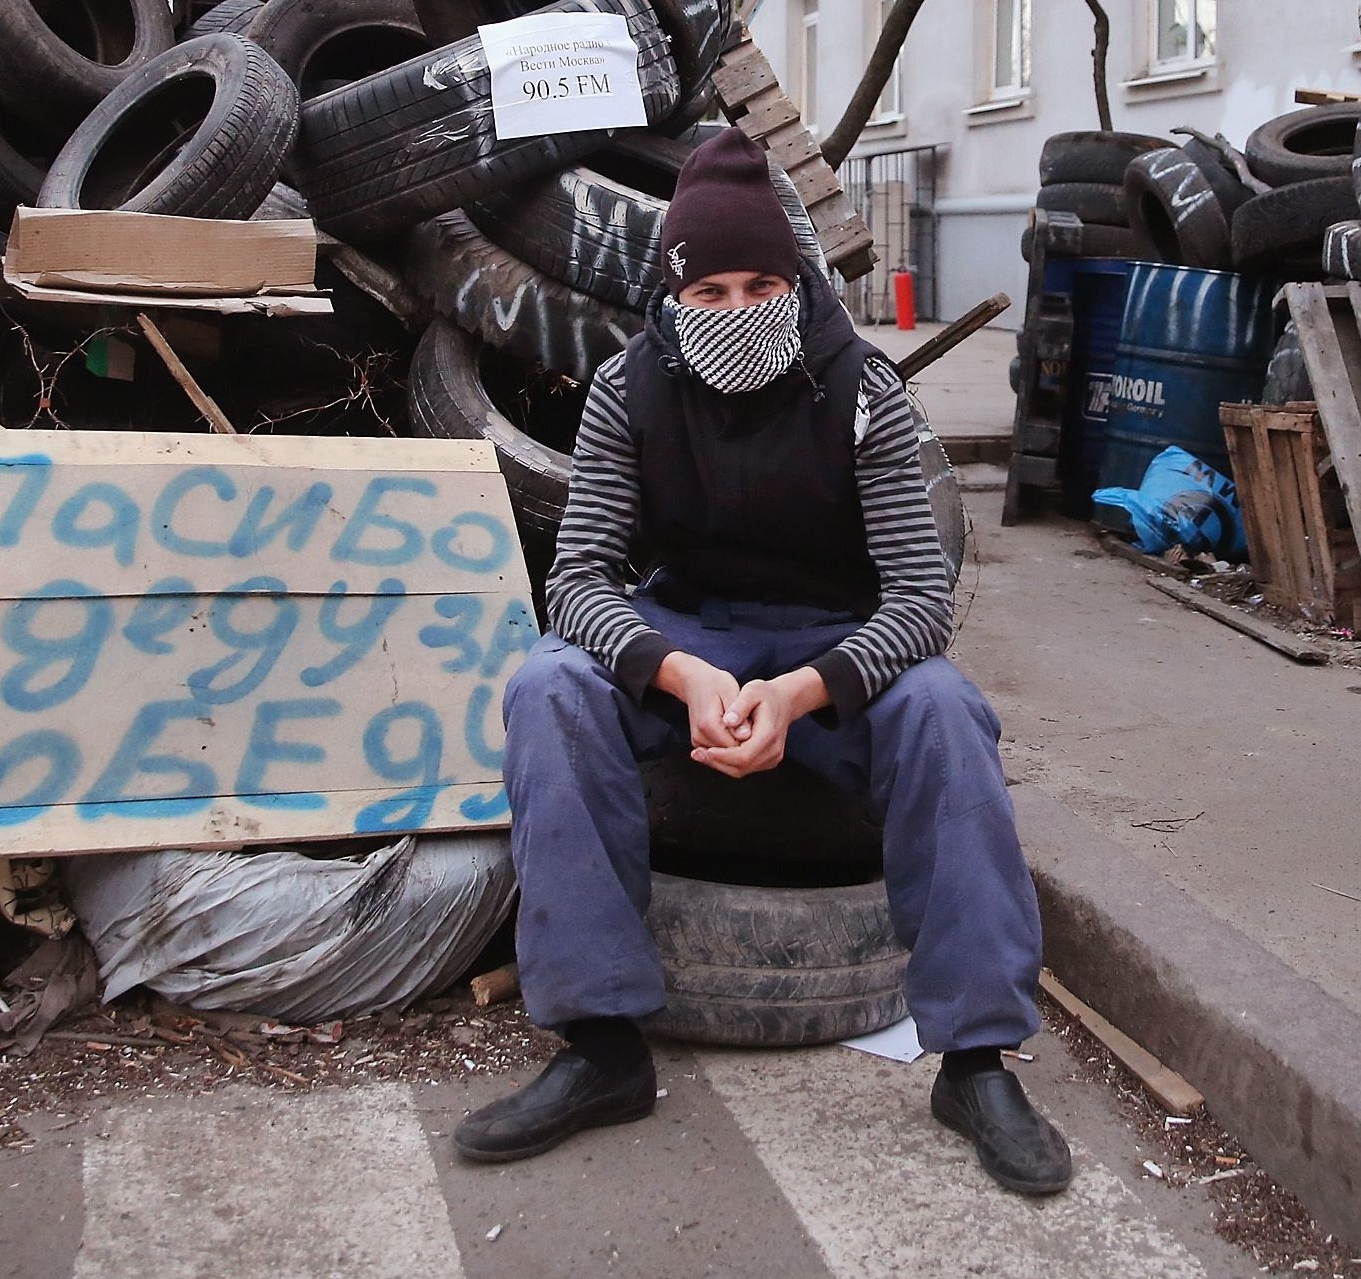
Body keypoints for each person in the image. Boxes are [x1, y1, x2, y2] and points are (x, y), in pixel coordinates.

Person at [452, 128, 1070, 1196]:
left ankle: (975, 1060)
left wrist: (804, 689)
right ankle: (600, 1045)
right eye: (717, 288)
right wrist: (679, 675)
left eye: (764, 283)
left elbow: (921, 597)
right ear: (678, 292)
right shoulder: (629, 387)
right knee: (548, 682)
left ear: (797, 278)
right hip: (695, 631)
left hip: (833, 646)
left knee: (946, 709)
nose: (740, 308)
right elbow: (582, 579)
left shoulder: (862, 388)